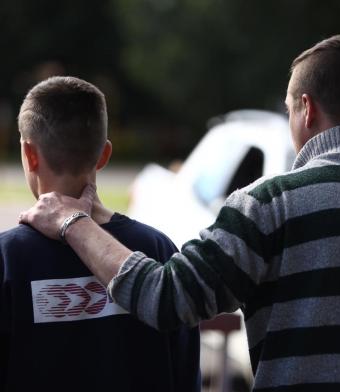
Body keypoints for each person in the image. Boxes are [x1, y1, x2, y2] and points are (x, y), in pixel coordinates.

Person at [19, 31, 340, 391]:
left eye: (289, 110)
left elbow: (166, 299)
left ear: (306, 110)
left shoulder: (272, 204)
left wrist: (72, 221)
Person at [0, 76, 200, 392]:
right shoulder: (158, 251)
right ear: (104, 155)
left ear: (29, 154)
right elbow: (185, 374)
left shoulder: (7, 259)